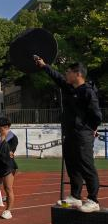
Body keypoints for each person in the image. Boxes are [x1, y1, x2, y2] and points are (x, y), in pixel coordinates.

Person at [35, 59, 103, 213]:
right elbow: (57, 77)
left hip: (83, 135)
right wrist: (44, 66)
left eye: (68, 72)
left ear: (77, 74)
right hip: (70, 134)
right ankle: (75, 196)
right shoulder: (69, 88)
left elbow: (97, 115)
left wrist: (91, 128)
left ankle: (93, 200)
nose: (66, 74)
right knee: (72, 165)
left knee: (86, 165)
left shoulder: (88, 91)